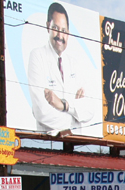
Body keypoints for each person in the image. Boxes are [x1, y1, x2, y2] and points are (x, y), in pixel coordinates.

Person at [27, 2, 96, 134]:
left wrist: (63, 105)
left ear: (68, 33)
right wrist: (75, 119)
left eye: (64, 31)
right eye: (56, 28)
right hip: (47, 144)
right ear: (48, 26)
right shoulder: (37, 56)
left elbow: (90, 110)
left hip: (76, 144)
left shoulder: (74, 64)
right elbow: (41, 111)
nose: (60, 35)